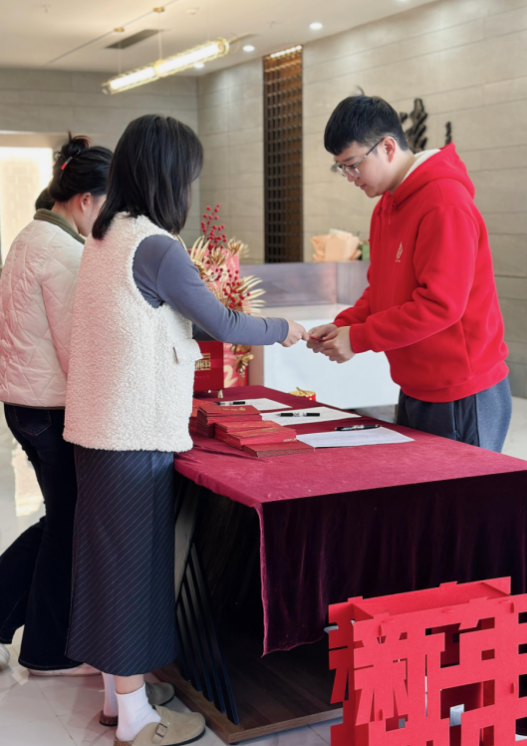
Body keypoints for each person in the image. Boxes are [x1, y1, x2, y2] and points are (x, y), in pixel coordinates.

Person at [63, 114, 308, 746]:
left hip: (98, 429)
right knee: (132, 572)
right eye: (189, 176)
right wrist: (286, 329)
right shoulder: (155, 246)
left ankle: (122, 697)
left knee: (110, 565)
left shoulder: (105, 235)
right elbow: (222, 323)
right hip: (131, 435)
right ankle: (134, 717)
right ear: (168, 176)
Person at [308, 95, 511, 453]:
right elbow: (381, 291)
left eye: (353, 165)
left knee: (459, 490)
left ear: (387, 147)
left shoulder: (444, 202)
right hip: (415, 384)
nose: (350, 178)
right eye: (342, 168)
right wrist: (344, 326)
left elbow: (441, 305)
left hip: (462, 391)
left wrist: (359, 338)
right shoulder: (387, 205)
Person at [0, 136, 112, 675]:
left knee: (61, 519)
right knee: (67, 526)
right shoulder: (65, 253)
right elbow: (79, 349)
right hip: (50, 409)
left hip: (23, 404)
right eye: (108, 206)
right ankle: (47, 649)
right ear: (86, 199)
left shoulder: (31, 235)